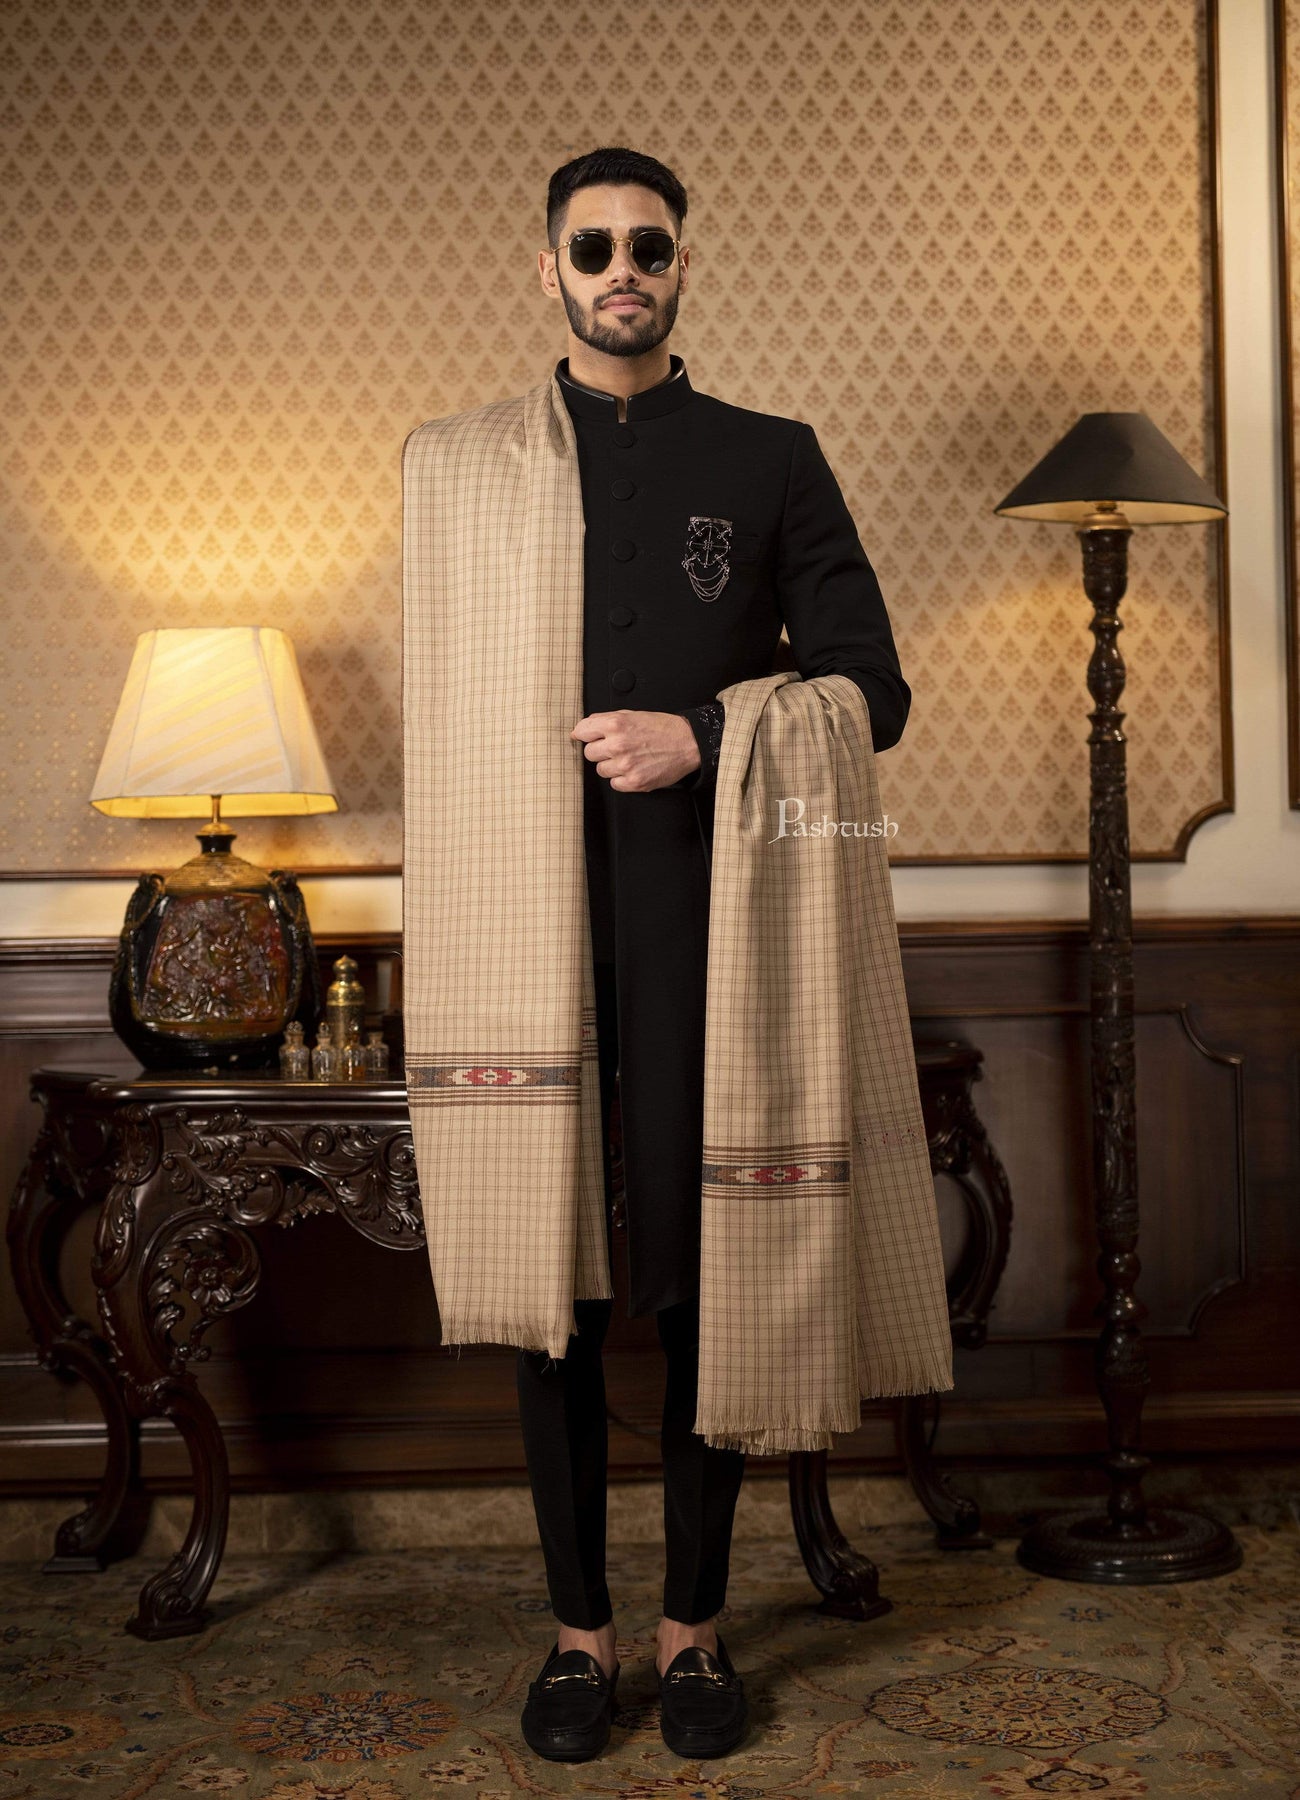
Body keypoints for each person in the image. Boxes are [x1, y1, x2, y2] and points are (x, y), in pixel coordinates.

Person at [430, 145, 912, 1765]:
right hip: (527, 917)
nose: (621, 270)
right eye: (593, 248)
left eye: (649, 245)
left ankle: (692, 1632)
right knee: (552, 1285)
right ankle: (578, 1637)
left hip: (721, 917)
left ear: (685, 263)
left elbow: (871, 688)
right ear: (549, 270)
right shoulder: (468, 475)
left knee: (710, 1276)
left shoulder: (771, 458)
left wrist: (706, 730)